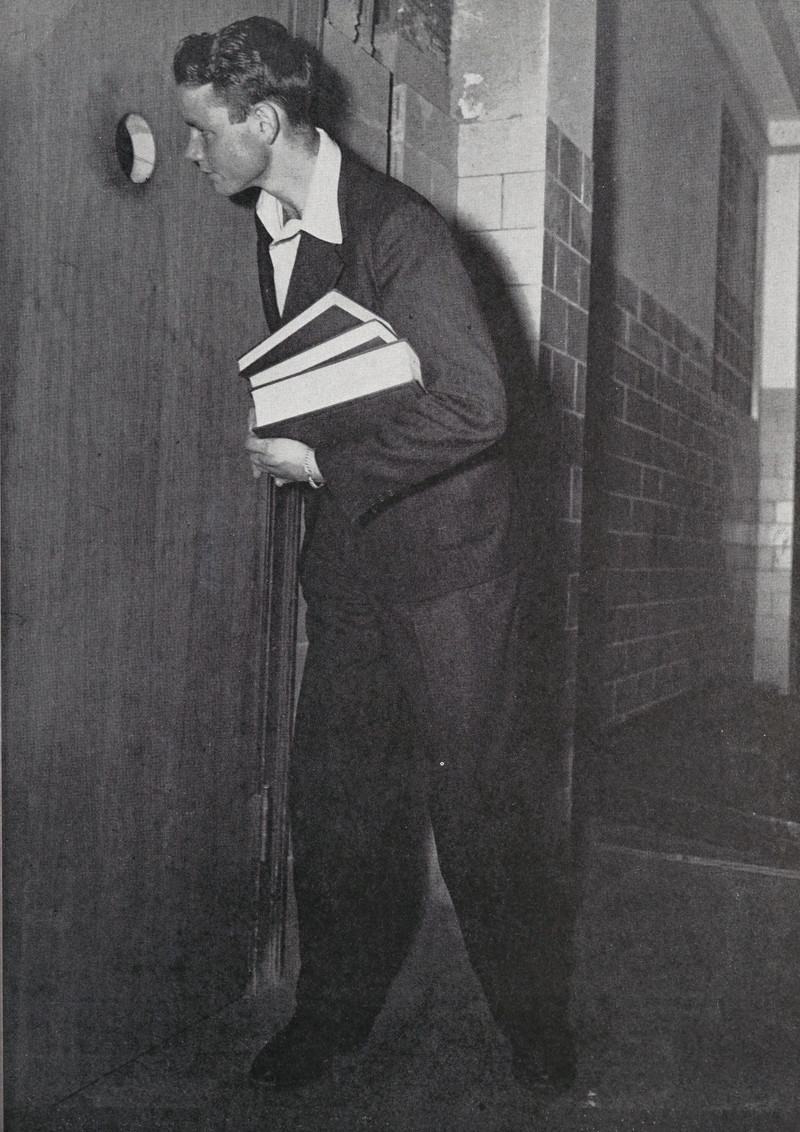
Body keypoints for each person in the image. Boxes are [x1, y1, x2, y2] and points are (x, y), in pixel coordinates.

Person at [173, 15, 575, 1095]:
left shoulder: (401, 230)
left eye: (205, 132)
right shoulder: (275, 227)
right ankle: (328, 1017)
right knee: (336, 800)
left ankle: (536, 1032)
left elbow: (478, 406)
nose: (195, 153)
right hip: (353, 568)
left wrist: (316, 461)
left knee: (479, 811)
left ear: (264, 121)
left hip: (452, 568)